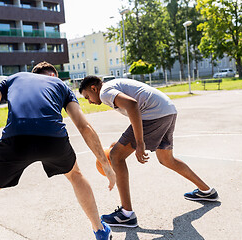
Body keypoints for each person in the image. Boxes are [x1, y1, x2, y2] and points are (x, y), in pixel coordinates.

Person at [0, 62, 116, 240]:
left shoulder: (14, 78)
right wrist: (106, 165)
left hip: (16, 139)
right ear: (53, 76)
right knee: (75, 175)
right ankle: (99, 230)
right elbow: (84, 126)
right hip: (53, 139)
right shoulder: (60, 85)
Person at [79, 76, 218, 228]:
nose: (89, 101)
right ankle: (207, 191)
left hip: (154, 114)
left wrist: (139, 142)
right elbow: (135, 110)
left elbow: (132, 105)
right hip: (167, 110)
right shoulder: (112, 85)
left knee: (116, 157)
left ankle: (126, 214)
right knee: (167, 159)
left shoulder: (105, 92)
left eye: (87, 97)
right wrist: (122, 143)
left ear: (94, 88)